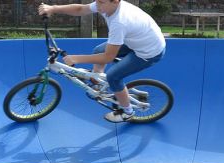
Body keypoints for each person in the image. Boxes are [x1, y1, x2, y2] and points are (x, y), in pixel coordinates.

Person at [38, 0, 166, 123]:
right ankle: (98, 82)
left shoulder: (120, 21)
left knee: (113, 77)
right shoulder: (106, 5)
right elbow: (80, 9)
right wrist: (53, 8)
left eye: (101, 2)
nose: (97, 5)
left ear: (115, 1)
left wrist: (77, 58)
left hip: (149, 52)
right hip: (137, 40)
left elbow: (107, 58)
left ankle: (127, 112)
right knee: (98, 50)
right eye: (97, 1)